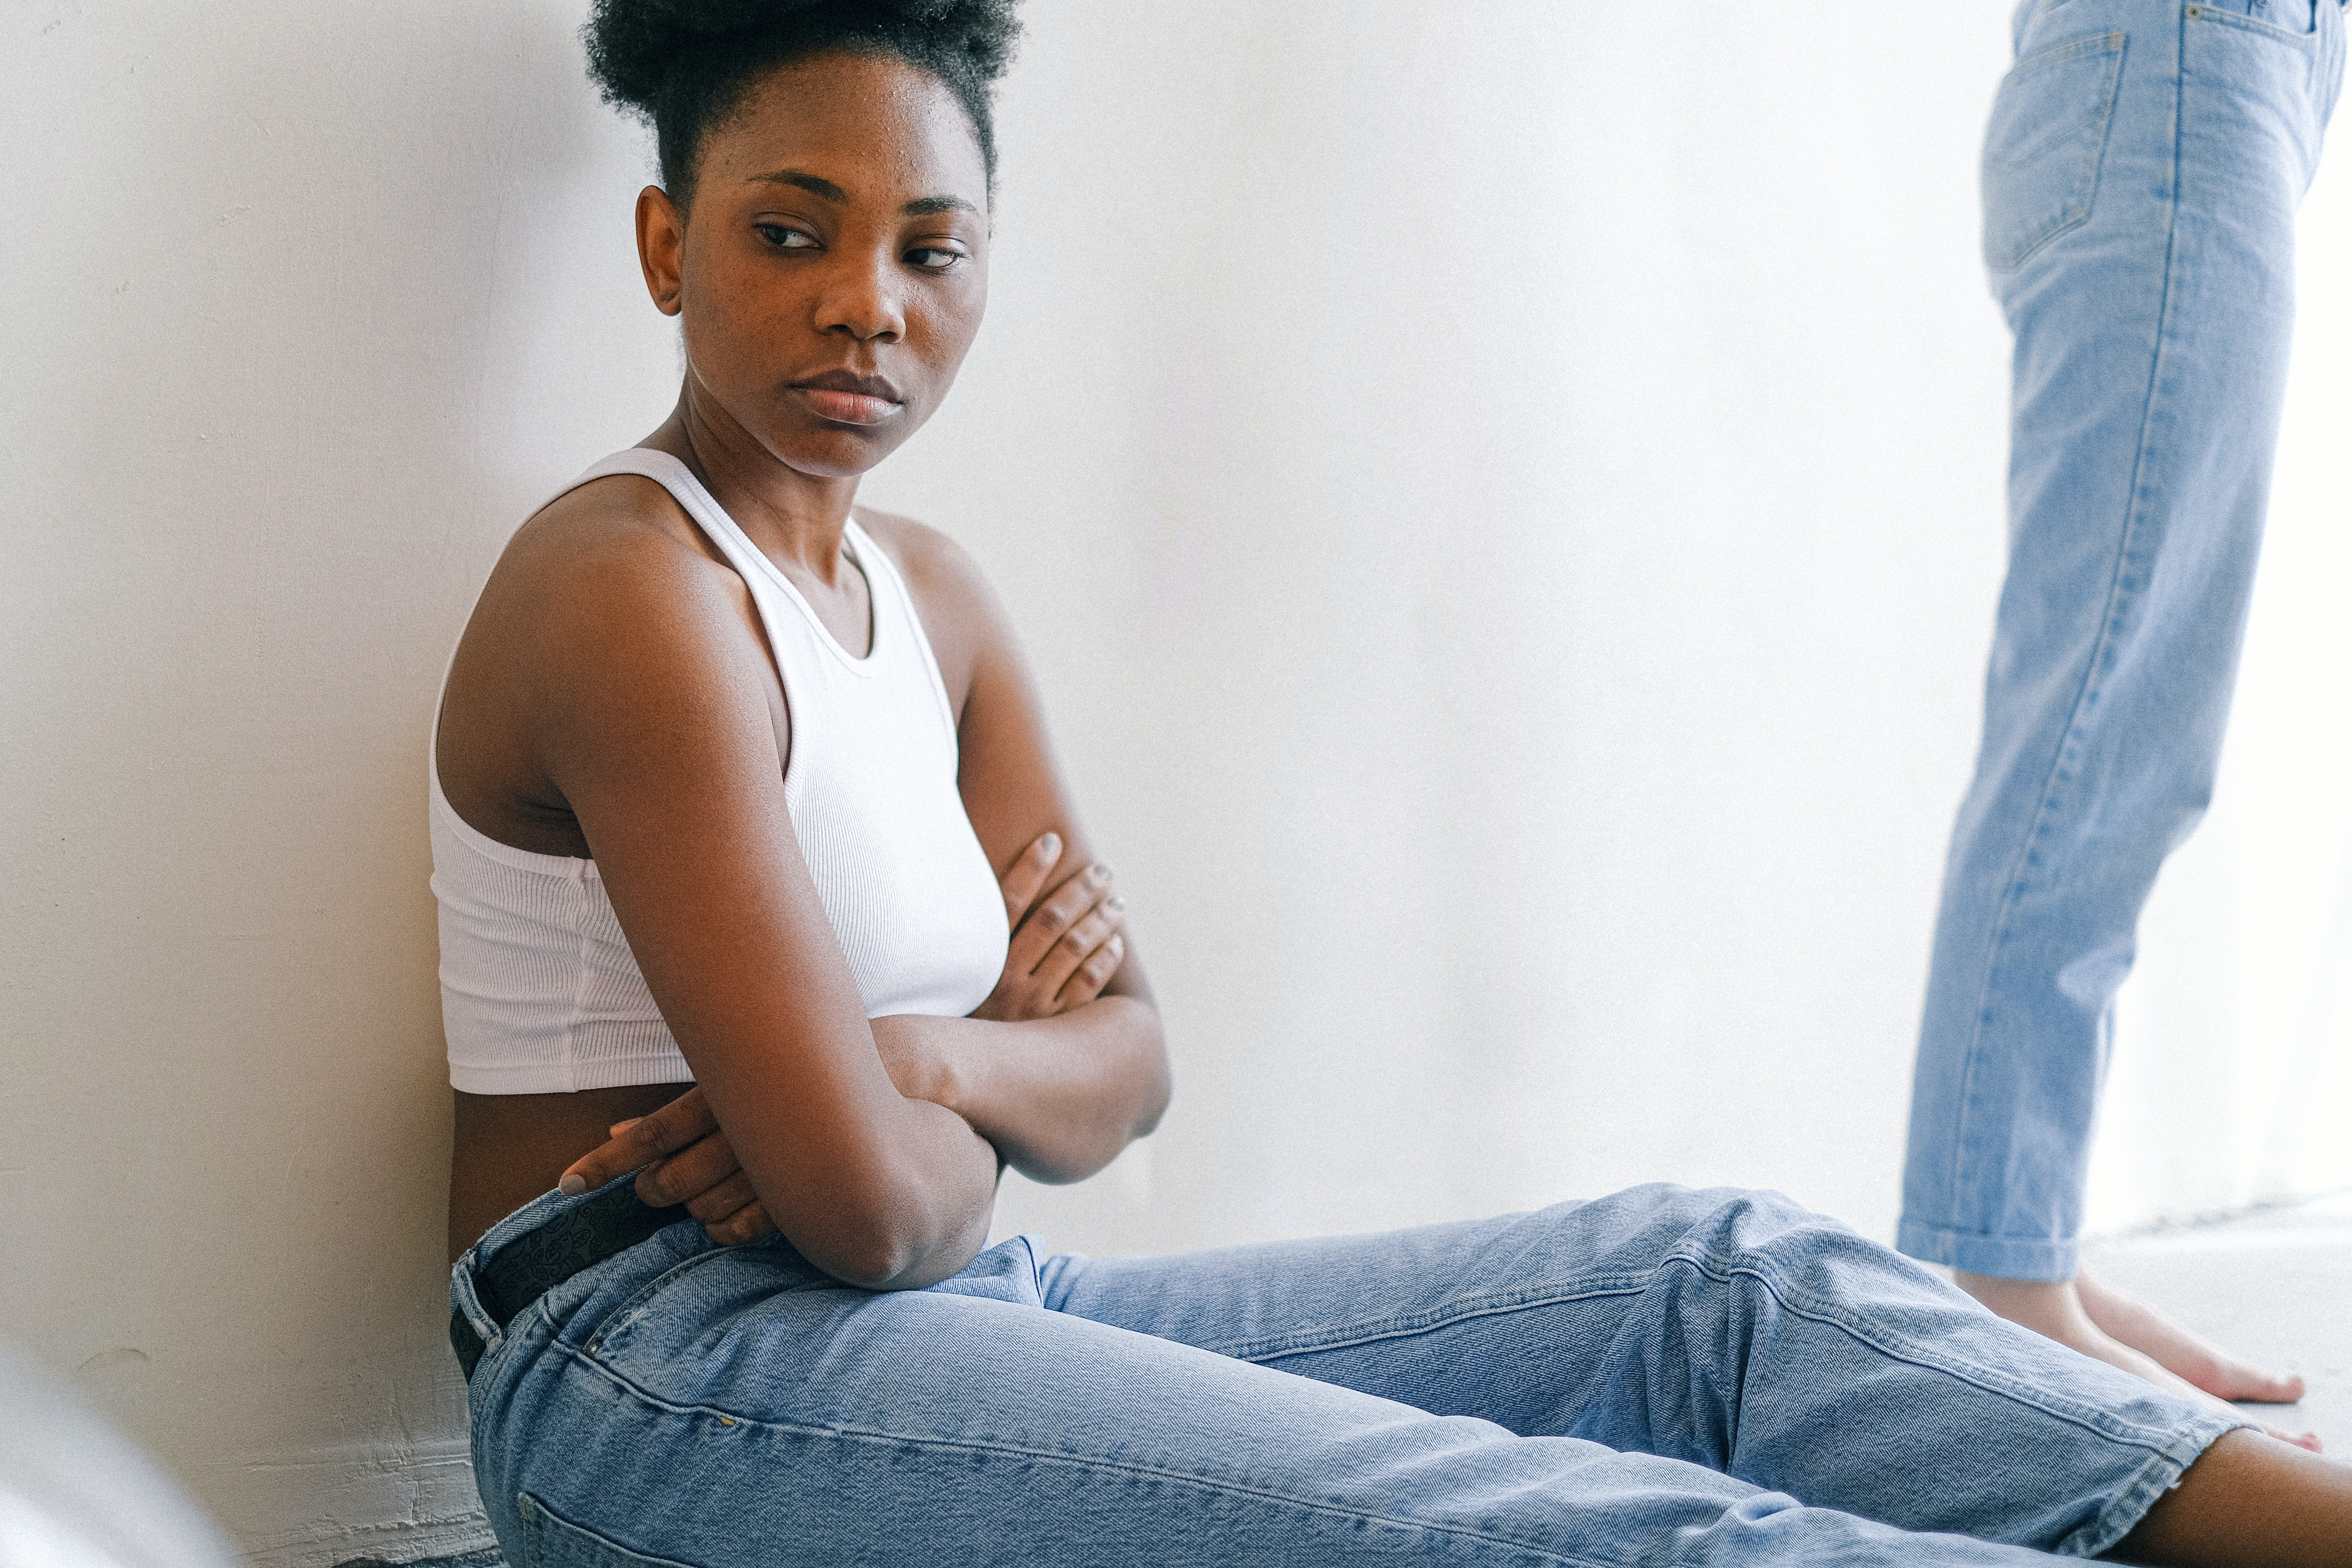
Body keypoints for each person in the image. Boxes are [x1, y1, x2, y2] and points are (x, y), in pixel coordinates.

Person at [436, 2, 2352, 1562]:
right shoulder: (632, 590)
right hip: (651, 1380)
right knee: (1580, 1532)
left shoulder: (932, 602)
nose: (868, 300)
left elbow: (1129, 1064)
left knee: (1715, 1277)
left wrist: (924, 1066)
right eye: (794, 232)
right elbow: (858, 1205)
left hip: (957, 1303)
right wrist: (935, 1099)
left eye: (929, 249)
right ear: (669, 240)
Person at [1898, 0, 2344, 1448]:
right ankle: (1999, 1280)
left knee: (2115, 727)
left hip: (2194, 74)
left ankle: (2025, 1243)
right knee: (2103, 735)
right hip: (2182, 70)